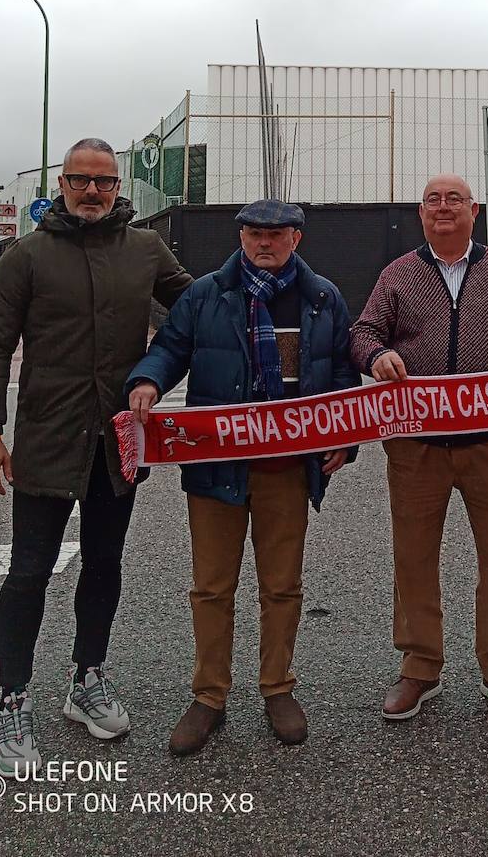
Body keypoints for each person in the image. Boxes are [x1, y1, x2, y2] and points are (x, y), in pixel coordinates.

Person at [0, 138, 193, 777]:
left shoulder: (147, 250)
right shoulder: (27, 256)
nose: (92, 191)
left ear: (118, 186)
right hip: (46, 438)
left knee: (104, 563)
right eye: (79, 180)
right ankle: (12, 700)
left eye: (103, 182)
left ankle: (86, 678)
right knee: (29, 572)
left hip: (115, 441)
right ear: (62, 183)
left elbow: (199, 309)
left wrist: (269, 287)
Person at [126, 199, 357, 752]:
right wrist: (148, 381)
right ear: (241, 237)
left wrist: (345, 439)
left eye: (277, 235)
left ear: (296, 240)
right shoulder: (206, 293)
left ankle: (277, 687)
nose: (264, 244)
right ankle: (209, 696)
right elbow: (172, 347)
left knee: (281, 585)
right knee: (211, 586)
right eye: (254, 234)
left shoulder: (323, 298)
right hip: (217, 464)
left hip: (287, 468)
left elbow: (344, 372)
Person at [350, 174, 488, 725]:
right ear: (421, 213)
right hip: (416, 447)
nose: (443, 208)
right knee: (414, 559)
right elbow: (364, 332)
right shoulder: (398, 274)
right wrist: (375, 358)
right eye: (433, 200)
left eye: (455, 200)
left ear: (473, 210)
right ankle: (419, 667)